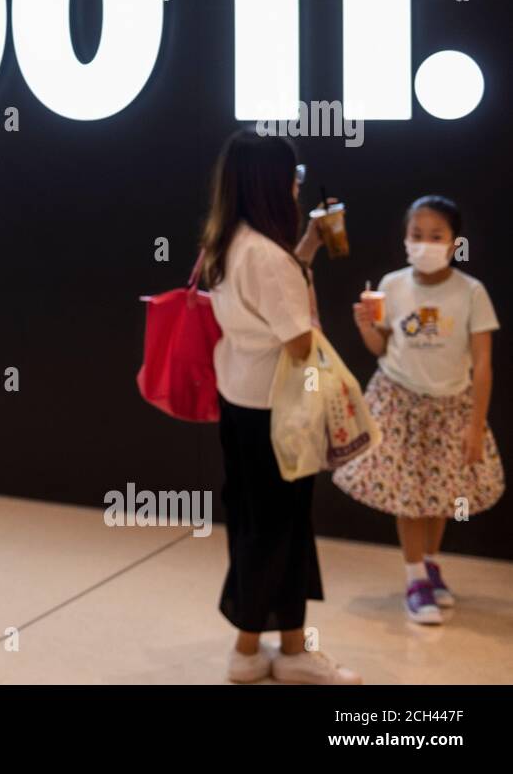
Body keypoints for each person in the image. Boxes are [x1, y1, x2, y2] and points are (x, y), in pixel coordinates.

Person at [200, 130, 360, 684]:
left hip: (243, 402)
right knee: (275, 530)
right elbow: (296, 340)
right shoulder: (267, 257)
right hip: (280, 410)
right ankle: (247, 650)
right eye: (291, 179)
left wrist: (309, 249)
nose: (296, 189)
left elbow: (268, 300)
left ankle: (290, 649)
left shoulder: (227, 242)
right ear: (272, 184)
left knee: (265, 525)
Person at [333, 195, 503, 624]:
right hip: (399, 400)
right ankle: (414, 578)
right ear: (405, 238)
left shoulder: (471, 291)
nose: (424, 243)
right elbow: (381, 347)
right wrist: (366, 327)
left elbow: (482, 362)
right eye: (416, 235)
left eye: (435, 236)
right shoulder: (391, 284)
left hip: (451, 405)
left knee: (441, 495)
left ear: (453, 241)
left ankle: (429, 563)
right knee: (409, 494)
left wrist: (475, 423)